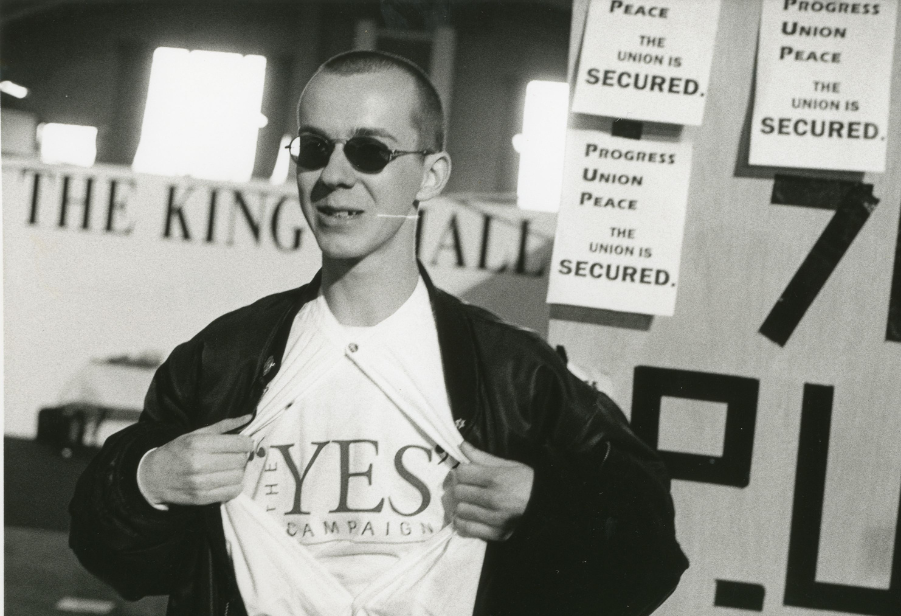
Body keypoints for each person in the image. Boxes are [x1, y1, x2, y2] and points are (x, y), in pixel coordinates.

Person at [69, 50, 688, 616]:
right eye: (314, 148)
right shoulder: (222, 358)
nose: (334, 175)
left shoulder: (514, 372)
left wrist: (541, 507)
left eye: (369, 152)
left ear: (430, 176)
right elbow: (116, 558)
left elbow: (648, 558)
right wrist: (148, 480)